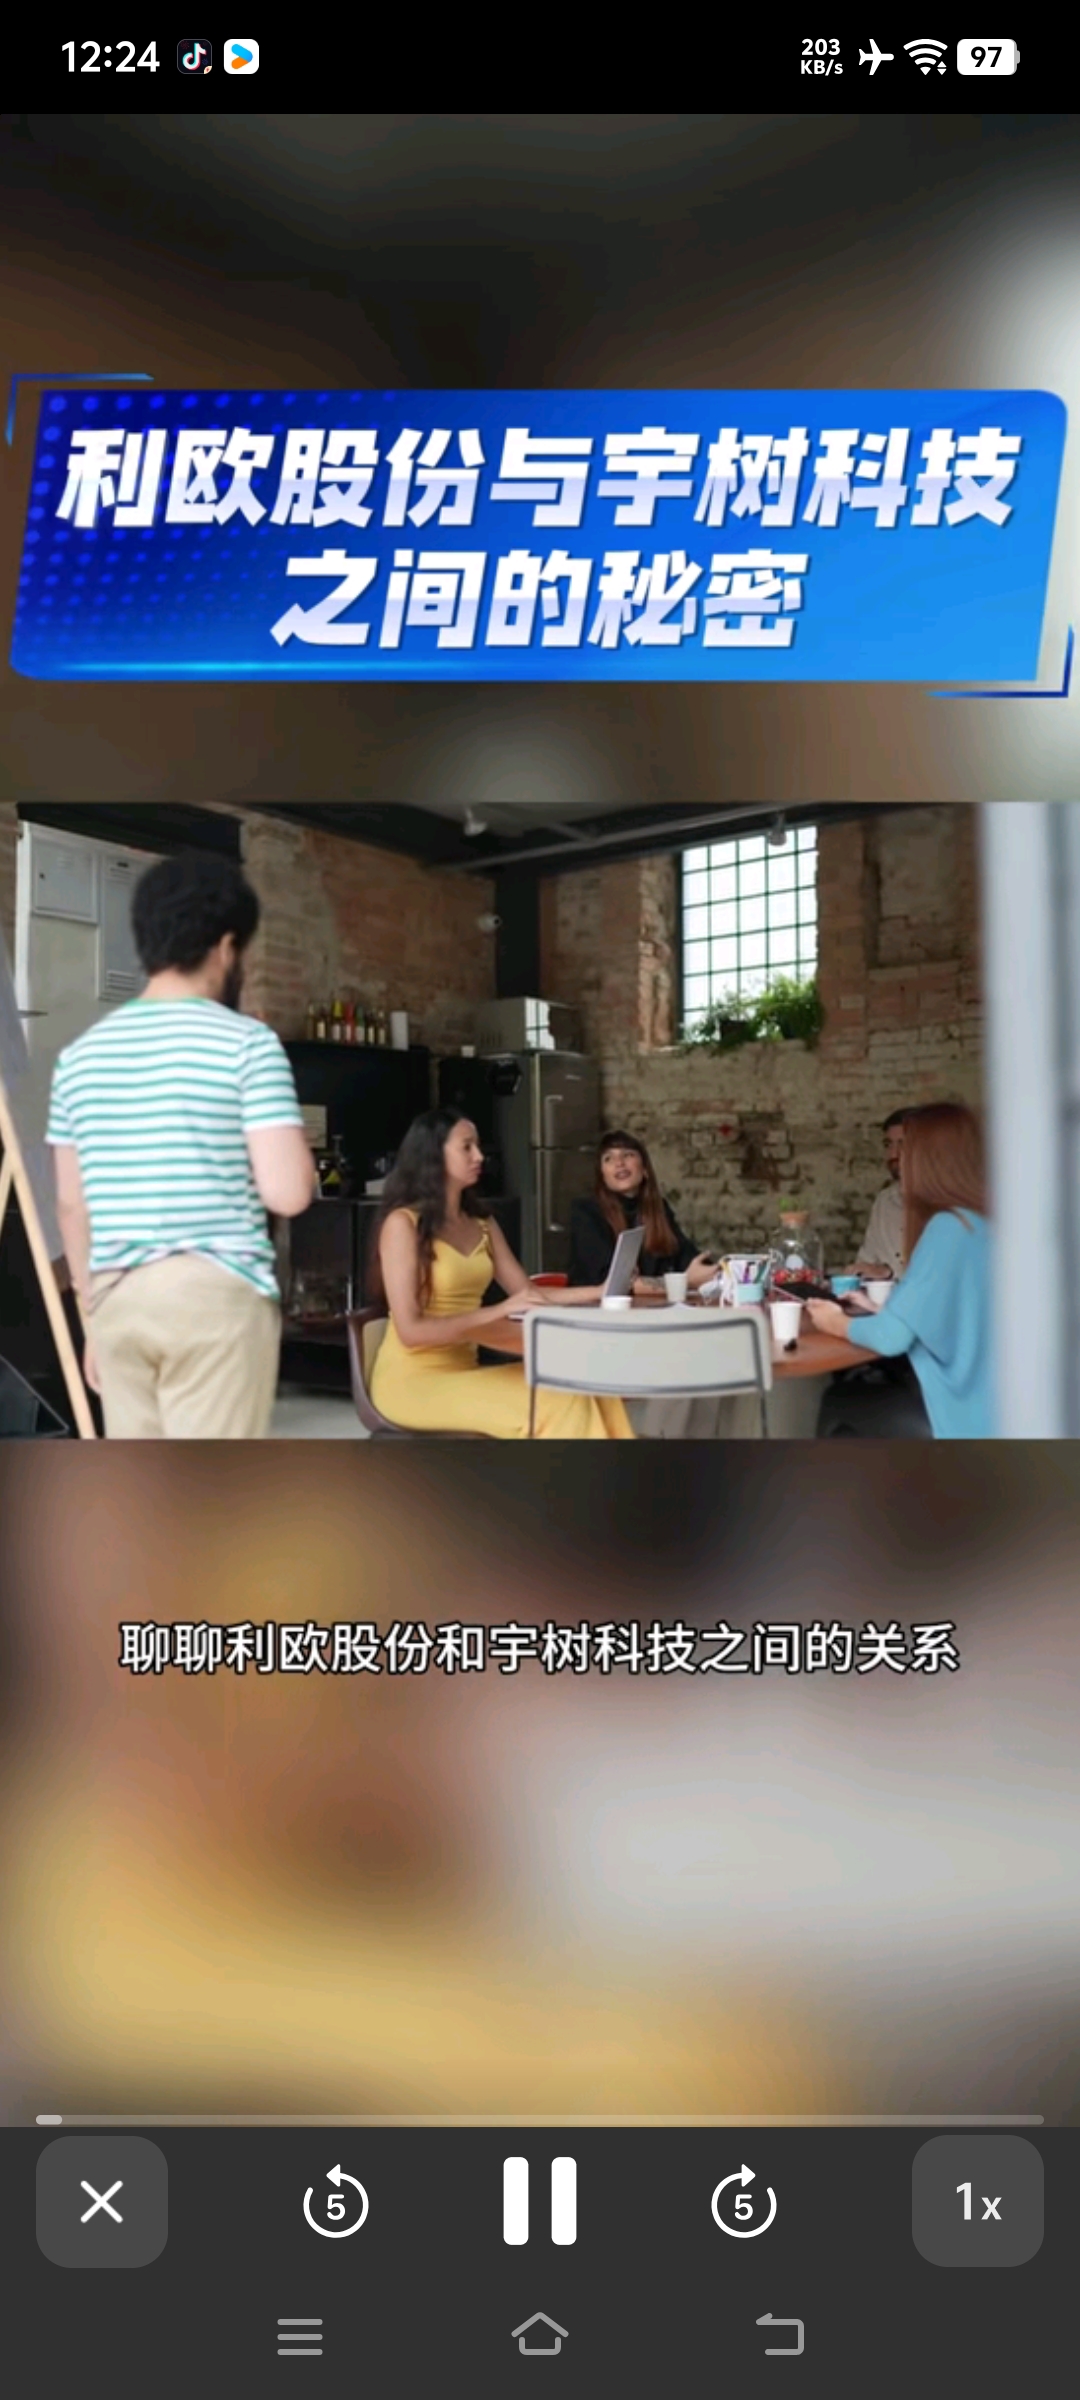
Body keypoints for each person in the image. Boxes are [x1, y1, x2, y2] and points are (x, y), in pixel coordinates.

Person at [47, 852, 316, 1438]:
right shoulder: (248, 1043)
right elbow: (289, 1193)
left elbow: (71, 1205)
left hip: (117, 1299)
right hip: (214, 1295)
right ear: (226, 947)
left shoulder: (79, 1057)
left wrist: (93, 1319)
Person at [369, 1110, 634, 1439]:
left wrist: (599, 1290)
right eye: (467, 1147)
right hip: (413, 1384)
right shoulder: (403, 1224)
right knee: (558, 1403)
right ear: (434, 1154)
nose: (479, 1156)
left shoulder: (482, 1223)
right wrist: (499, 1311)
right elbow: (411, 1331)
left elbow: (527, 1294)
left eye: (478, 1146)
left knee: (584, 1385)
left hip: (464, 1371)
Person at [807, 1102, 993, 1438]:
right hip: (995, 1403)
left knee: (838, 1399)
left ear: (927, 1160)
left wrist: (835, 1322)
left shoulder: (948, 1228)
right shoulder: (980, 1221)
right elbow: (954, 1317)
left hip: (961, 1413)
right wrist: (883, 1310)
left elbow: (890, 1339)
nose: (898, 1160)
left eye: (906, 1150)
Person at [567, 1131, 714, 1294]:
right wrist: (684, 1281)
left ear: (644, 1169)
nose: (619, 1163)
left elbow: (688, 1259)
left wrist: (713, 1271)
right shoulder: (586, 1211)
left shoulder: (658, 1208)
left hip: (648, 1307)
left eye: (628, 1155)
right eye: (608, 1158)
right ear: (602, 1176)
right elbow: (613, 1284)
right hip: (596, 1307)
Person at [856, 1108, 913, 1281]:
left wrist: (889, 1273)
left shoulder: (948, 1206)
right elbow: (866, 1262)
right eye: (889, 1145)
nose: (893, 1154)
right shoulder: (884, 1202)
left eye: (903, 1144)